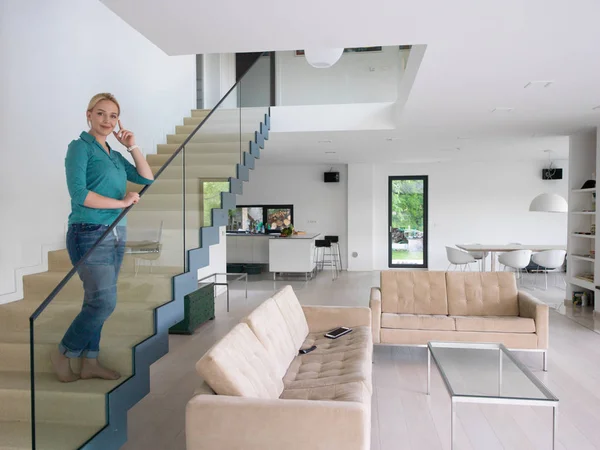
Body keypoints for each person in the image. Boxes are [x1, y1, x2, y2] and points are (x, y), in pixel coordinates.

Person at [51, 93, 154, 382]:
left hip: (116, 232)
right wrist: (122, 203)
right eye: (101, 113)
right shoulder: (79, 148)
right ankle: (63, 353)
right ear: (89, 115)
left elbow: (147, 178)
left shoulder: (114, 154)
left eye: (113, 116)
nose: (107, 120)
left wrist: (131, 145)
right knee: (104, 302)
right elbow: (80, 194)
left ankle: (90, 362)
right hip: (87, 231)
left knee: (95, 300)